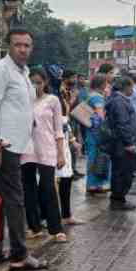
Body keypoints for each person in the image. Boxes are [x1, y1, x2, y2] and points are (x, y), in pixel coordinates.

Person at [0, 29, 47, 271]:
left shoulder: (24, 72)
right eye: (18, 45)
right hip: (4, 145)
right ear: (8, 46)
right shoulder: (0, 69)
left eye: (27, 45)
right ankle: (20, 253)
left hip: (17, 144)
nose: (23, 49)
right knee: (15, 199)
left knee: (0, 198)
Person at [20, 69, 68, 242]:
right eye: (32, 82)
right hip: (26, 149)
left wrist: (61, 153)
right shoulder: (23, 101)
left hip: (47, 149)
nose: (36, 86)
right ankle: (34, 226)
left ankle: (56, 228)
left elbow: (58, 129)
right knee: (28, 189)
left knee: (48, 187)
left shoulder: (52, 100)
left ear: (45, 83)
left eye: (39, 82)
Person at [105, 76, 136, 211]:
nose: (133, 90)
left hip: (119, 143)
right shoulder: (119, 102)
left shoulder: (118, 100)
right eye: (132, 87)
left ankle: (118, 198)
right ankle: (118, 200)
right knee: (123, 172)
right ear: (126, 87)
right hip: (121, 144)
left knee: (120, 171)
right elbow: (122, 124)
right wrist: (129, 143)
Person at [57, 79, 79, 226]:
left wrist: (72, 141)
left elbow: (66, 124)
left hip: (64, 147)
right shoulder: (54, 102)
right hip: (53, 148)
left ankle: (66, 214)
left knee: (66, 179)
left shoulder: (63, 103)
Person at [84, 75, 111, 194]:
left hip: (91, 131)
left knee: (93, 156)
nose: (107, 84)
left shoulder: (90, 95)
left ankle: (92, 184)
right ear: (101, 84)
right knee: (98, 157)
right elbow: (101, 116)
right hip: (98, 132)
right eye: (106, 82)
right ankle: (97, 184)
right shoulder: (97, 98)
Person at [60, 71, 84, 180]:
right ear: (65, 78)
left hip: (74, 120)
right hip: (66, 122)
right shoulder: (62, 90)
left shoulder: (70, 90)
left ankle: (73, 169)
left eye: (75, 77)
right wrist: (73, 97)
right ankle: (69, 171)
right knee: (69, 147)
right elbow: (65, 108)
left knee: (74, 148)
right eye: (72, 78)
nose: (75, 80)